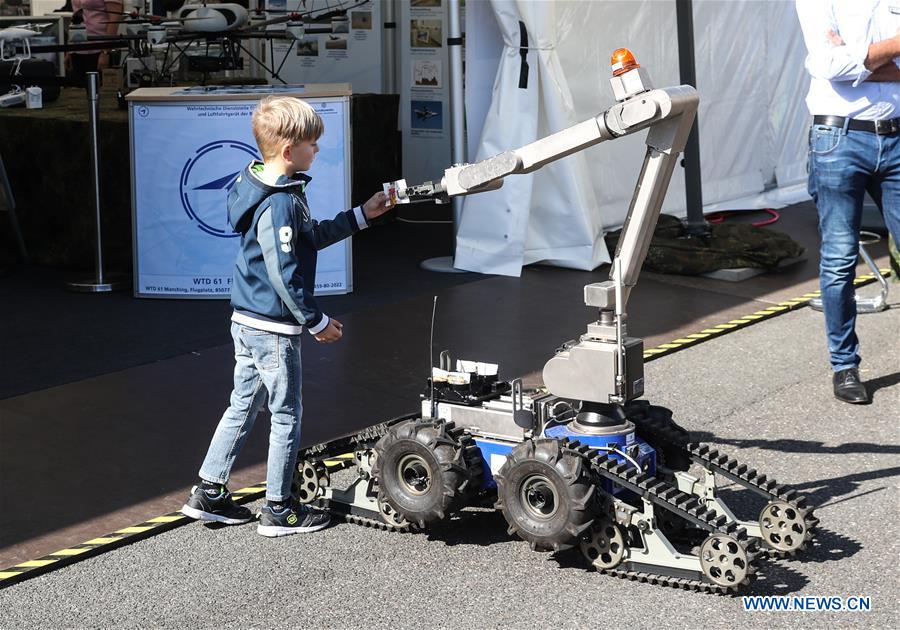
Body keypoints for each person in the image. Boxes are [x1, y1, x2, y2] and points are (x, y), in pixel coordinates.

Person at [181, 96, 394, 536]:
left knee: (242, 404)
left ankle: (209, 490)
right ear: (288, 151)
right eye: (312, 144)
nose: (317, 150)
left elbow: (307, 238)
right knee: (286, 415)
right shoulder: (280, 202)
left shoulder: (260, 184)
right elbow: (284, 271)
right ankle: (279, 509)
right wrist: (315, 321)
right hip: (274, 328)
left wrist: (362, 215)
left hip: (247, 320)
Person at [796, 0, 900, 404]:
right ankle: (845, 366)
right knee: (840, 259)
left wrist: (863, 60)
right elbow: (829, 66)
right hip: (838, 139)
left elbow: (846, 66)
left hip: (895, 136)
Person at [67, 0, 124, 78]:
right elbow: (75, 16)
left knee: (98, 86)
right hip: (77, 46)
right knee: (80, 86)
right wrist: (68, 49)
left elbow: (114, 19)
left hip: (99, 46)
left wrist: (105, 52)